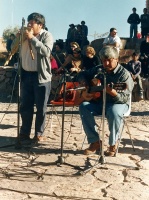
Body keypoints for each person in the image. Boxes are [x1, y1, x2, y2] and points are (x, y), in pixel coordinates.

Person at [79, 46, 134, 156]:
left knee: (113, 111)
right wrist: (84, 82)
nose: (106, 63)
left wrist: (113, 93)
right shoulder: (100, 69)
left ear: (117, 59)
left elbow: (124, 98)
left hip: (119, 103)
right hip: (101, 102)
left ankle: (113, 143)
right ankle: (95, 142)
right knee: (84, 106)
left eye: (109, 60)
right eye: (104, 60)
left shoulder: (124, 75)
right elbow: (82, 74)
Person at [19, 12, 53, 142]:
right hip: (26, 75)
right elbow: (13, 48)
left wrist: (32, 38)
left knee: (41, 108)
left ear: (40, 25)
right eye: (28, 22)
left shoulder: (46, 35)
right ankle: (24, 132)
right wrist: (18, 38)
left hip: (41, 77)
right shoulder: (24, 35)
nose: (29, 25)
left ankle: (39, 133)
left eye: (32, 23)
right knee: (25, 106)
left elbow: (46, 52)